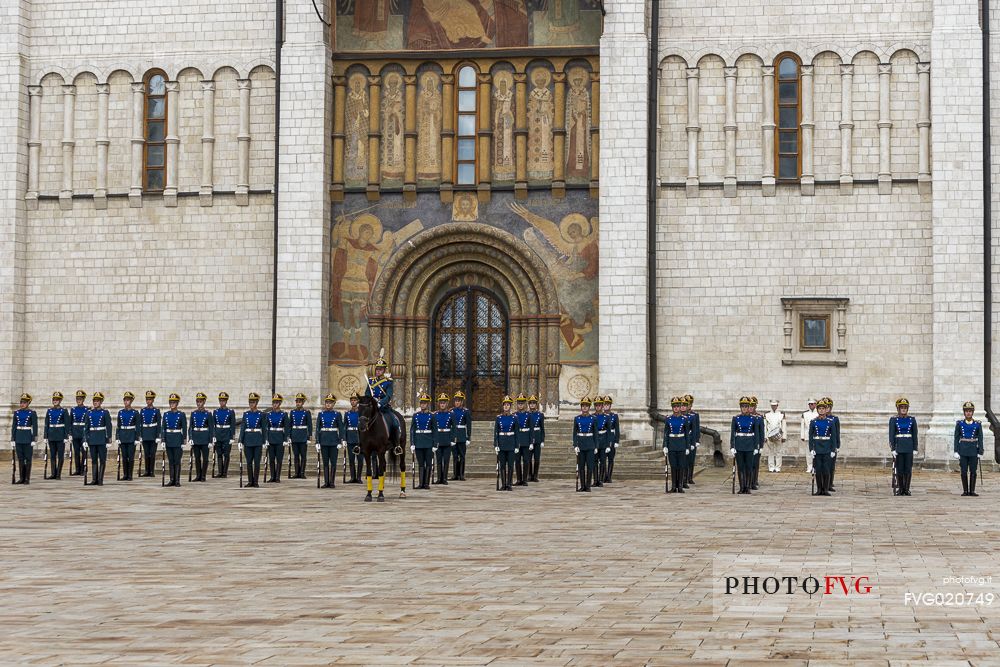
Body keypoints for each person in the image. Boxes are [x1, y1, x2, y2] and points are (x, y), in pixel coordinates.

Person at [365, 355, 401, 448]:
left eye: (380, 369)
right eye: (377, 369)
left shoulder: (388, 382)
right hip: (372, 407)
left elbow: (388, 396)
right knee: (361, 421)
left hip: (383, 408)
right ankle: (360, 444)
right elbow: (367, 394)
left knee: (394, 422)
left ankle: (396, 445)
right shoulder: (370, 381)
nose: (378, 371)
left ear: (384, 370)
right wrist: (372, 401)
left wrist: (380, 403)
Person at [730, 396, 761, 494]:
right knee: (741, 467)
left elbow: (756, 434)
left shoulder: (753, 419)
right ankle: (741, 486)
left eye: (746, 406)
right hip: (739, 444)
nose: (744, 408)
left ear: (749, 407)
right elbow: (733, 433)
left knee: (748, 466)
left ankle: (747, 487)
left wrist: (757, 447)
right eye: (742, 406)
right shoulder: (736, 418)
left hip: (749, 445)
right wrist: (732, 446)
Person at [954, 401, 984, 497]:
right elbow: (956, 438)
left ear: (972, 412)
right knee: (963, 471)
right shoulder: (960, 424)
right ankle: (965, 491)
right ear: (964, 412)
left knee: (973, 471)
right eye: (966, 411)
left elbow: (980, 438)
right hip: (963, 450)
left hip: (973, 450)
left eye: (970, 411)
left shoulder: (977, 424)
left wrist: (980, 450)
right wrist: (956, 451)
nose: (968, 413)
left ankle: (972, 491)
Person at [889, 397, 917, 496]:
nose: (904, 409)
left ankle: (907, 489)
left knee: (908, 468)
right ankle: (900, 489)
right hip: (899, 446)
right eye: (902, 407)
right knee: (900, 468)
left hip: (909, 446)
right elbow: (891, 435)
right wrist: (893, 448)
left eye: (905, 407)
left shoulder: (912, 419)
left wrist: (915, 448)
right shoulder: (893, 420)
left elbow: (915, 434)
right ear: (898, 408)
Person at [809, 398, 836, 496]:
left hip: (827, 448)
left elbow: (833, 437)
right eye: (819, 408)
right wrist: (811, 449)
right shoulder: (813, 422)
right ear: (817, 410)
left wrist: (833, 449)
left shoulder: (830, 422)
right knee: (818, 469)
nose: (821, 410)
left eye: (823, 408)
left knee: (826, 469)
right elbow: (811, 437)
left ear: (826, 410)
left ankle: (825, 489)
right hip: (817, 448)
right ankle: (819, 489)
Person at [84, 392, 112, 485]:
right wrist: (85, 439)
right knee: (94, 459)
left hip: (101, 438)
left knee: (102, 459)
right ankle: (94, 479)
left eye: (97, 401)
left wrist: (109, 439)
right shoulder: (89, 413)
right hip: (92, 438)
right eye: (94, 401)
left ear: (101, 402)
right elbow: (86, 427)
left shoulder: (105, 412)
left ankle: (100, 479)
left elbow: (109, 426)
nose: (95, 402)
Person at [316, 393, 343, 488]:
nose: (328, 404)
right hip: (324, 440)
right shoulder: (321, 414)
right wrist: (317, 442)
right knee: (325, 462)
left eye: (330, 403)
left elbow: (341, 428)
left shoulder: (337, 414)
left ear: (334, 404)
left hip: (333, 440)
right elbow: (317, 429)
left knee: (333, 462)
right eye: (327, 402)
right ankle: (326, 481)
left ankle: (332, 482)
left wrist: (340, 441)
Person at [238, 393, 265, 487]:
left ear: (257, 402)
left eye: (253, 402)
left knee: (257, 462)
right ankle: (250, 481)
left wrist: (265, 441)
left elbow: (264, 429)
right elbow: (242, 428)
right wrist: (240, 441)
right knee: (249, 462)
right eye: (250, 402)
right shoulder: (246, 414)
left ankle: (256, 481)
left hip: (257, 439)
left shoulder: (261, 414)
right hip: (248, 439)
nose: (251, 404)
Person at [663, 396, 689, 493]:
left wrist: (687, 447)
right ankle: (674, 486)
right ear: (672, 408)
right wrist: (665, 445)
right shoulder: (668, 419)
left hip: (681, 444)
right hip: (672, 444)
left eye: (678, 406)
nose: (676, 408)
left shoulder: (684, 419)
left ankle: (680, 486)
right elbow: (666, 433)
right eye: (674, 406)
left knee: (681, 466)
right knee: (673, 466)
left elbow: (686, 434)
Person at [160, 393, 187, 487]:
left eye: (174, 402)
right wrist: (163, 440)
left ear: (177, 403)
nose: (172, 404)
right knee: (171, 460)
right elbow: (163, 428)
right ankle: (171, 479)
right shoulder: (166, 414)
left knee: (177, 460)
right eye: (170, 402)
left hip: (177, 439)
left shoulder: (181, 414)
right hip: (169, 439)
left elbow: (184, 427)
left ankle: (177, 480)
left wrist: (184, 440)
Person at [10, 393, 37, 485]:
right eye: (21, 402)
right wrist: (12, 439)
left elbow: (35, 427)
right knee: (20, 458)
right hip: (18, 437)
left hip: (27, 437)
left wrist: (34, 439)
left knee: (28, 458)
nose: (22, 404)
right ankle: (21, 478)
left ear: (28, 403)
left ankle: (27, 478)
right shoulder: (16, 413)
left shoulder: (32, 413)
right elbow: (14, 426)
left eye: (24, 402)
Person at [188, 392, 215, 482]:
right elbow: (190, 427)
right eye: (197, 402)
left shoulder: (208, 414)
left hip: (204, 438)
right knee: (197, 458)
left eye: (200, 402)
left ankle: (203, 475)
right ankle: (198, 475)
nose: (199, 403)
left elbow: (211, 428)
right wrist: (190, 438)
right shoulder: (193, 413)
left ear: (204, 402)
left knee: (205, 458)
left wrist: (211, 440)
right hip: (196, 437)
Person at [572, 397, 597, 492]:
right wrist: (575, 445)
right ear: (581, 407)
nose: (585, 408)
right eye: (583, 406)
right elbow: (575, 433)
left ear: (589, 407)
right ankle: (582, 486)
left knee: (590, 466)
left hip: (590, 443)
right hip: (581, 444)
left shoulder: (593, 419)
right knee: (581, 466)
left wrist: (596, 446)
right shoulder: (577, 418)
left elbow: (595, 433)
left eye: (586, 406)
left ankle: (588, 485)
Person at [410, 393, 434, 490]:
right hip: (419, 442)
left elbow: (435, 431)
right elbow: (412, 430)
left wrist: (435, 444)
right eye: (422, 403)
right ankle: (420, 483)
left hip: (428, 442)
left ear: (428, 404)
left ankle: (426, 483)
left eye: (425, 403)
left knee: (428, 463)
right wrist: (412, 443)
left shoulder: (432, 416)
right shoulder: (415, 416)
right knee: (420, 463)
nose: (423, 405)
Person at [44, 391, 70, 479]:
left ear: (60, 400)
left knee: (60, 455)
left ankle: (58, 474)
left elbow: (67, 424)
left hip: (60, 435)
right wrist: (45, 436)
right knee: (52, 455)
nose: (55, 401)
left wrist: (66, 436)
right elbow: (46, 424)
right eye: (54, 399)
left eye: (57, 400)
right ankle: (53, 473)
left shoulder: (64, 411)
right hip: (51, 434)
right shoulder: (49, 410)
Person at [264, 394, 289, 483]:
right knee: (271, 459)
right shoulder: (268, 414)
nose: (275, 404)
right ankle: (272, 476)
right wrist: (266, 439)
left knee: (279, 459)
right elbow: (266, 427)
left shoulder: (284, 414)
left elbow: (286, 427)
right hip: (271, 437)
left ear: (280, 403)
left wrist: (286, 439)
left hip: (279, 438)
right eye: (274, 402)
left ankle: (277, 476)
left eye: (277, 403)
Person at [495, 396, 517, 491]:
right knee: (502, 465)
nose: (506, 406)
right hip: (502, 443)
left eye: (508, 405)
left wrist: (517, 445)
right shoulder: (498, 418)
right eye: (505, 405)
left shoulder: (514, 418)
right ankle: (503, 484)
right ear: (503, 406)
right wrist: (496, 444)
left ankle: (509, 484)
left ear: (510, 406)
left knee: (511, 465)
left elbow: (517, 433)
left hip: (511, 443)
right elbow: (496, 432)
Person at [116, 391, 140, 480]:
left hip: (131, 436)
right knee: (124, 457)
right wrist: (117, 437)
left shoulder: (135, 413)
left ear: (131, 401)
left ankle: (130, 475)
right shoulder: (120, 412)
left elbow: (138, 426)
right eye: (125, 400)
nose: (126, 402)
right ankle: (125, 474)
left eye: (128, 400)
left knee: (131, 457)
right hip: (122, 436)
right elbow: (118, 426)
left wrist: (137, 438)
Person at [433, 393, 455, 484]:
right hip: (438, 438)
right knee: (438, 460)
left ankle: (444, 478)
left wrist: (453, 439)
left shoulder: (451, 414)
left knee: (446, 460)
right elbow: (433, 428)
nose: (442, 404)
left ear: (447, 404)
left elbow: (454, 427)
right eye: (441, 403)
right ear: (439, 404)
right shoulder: (435, 414)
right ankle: (439, 478)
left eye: (444, 403)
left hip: (447, 438)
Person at [289, 393, 313, 479]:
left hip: (303, 435)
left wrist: (309, 435)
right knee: (296, 455)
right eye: (297, 401)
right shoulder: (292, 412)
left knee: (303, 455)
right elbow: (290, 424)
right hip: (294, 435)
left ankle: (302, 472)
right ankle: (296, 472)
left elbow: (309, 424)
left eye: (300, 401)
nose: (298, 403)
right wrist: (289, 436)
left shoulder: (306, 412)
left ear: (303, 403)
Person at [139, 390, 162, 478]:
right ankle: (146, 471)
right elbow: (140, 424)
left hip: (153, 434)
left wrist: (158, 436)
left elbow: (159, 424)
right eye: (147, 399)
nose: (148, 401)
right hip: (145, 434)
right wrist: (140, 435)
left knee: (152, 453)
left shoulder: (156, 411)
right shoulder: (143, 410)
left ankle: (151, 471)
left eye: (150, 399)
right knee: (146, 453)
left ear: (153, 400)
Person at [213, 392, 235, 477]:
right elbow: (213, 425)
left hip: (226, 434)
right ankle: (220, 472)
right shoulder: (215, 411)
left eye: (223, 401)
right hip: (218, 433)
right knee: (219, 453)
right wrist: (213, 436)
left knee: (226, 454)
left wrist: (232, 436)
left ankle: (224, 472)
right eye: (221, 400)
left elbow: (232, 425)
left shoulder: (230, 412)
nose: (222, 402)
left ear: (226, 401)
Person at [451, 391, 471, 481]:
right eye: (456, 401)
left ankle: (461, 474)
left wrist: (468, 437)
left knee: (462, 455)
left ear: (462, 402)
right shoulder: (451, 411)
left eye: (459, 401)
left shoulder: (465, 411)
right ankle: (455, 474)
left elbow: (469, 425)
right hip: (454, 435)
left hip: (462, 435)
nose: (457, 402)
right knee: (455, 455)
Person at [514, 393, 533, 486]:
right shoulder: (514, 415)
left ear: (525, 404)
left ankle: (524, 479)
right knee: (517, 461)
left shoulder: (528, 415)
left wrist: (531, 442)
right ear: (517, 404)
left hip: (525, 439)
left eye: (522, 403)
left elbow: (531, 429)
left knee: (526, 460)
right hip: (517, 440)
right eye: (519, 403)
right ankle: (518, 479)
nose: (520, 405)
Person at [764, 399, 787, 473]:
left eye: (775, 405)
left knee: (778, 452)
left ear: (777, 406)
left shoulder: (781, 414)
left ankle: (778, 467)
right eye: (772, 406)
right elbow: (765, 426)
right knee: (770, 452)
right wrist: (765, 436)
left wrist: (784, 436)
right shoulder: (767, 415)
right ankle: (771, 467)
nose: (774, 407)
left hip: (779, 436)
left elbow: (784, 426)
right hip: (769, 436)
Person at [69, 390, 89, 476]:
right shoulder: (73, 409)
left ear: (83, 399)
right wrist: (70, 433)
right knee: (76, 452)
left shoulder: (87, 410)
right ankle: (77, 469)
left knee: (84, 452)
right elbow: (70, 422)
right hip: (75, 432)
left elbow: (88, 423)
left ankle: (83, 469)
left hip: (83, 432)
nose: (78, 400)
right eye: (77, 398)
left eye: (80, 398)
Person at [345, 392, 362, 483]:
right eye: (352, 400)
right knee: (351, 459)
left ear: (358, 401)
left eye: (355, 400)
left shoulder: (361, 413)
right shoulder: (347, 413)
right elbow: (345, 426)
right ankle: (352, 477)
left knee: (360, 459)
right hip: (350, 437)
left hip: (359, 438)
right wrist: (344, 438)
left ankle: (358, 477)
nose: (353, 402)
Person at [528, 394, 546, 482]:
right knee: (528, 458)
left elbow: (542, 428)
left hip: (537, 437)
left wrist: (542, 440)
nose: (532, 405)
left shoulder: (540, 415)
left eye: (534, 403)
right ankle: (529, 475)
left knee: (537, 458)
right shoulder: (527, 414)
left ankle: (535, 475)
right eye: (530, 403)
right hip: (529, 438)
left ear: (536, 404)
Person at [682, 394, 698, 486]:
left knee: (691, 460)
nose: (687, 406)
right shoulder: (682, 417)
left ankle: (689, 477)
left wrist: (696, 440)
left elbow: (696, 429)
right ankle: (684, 478)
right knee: (684, 460)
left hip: (691, 439)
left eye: (688, 404)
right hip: (683, 440)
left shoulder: (694, 415)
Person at [593, 396, 609, 488]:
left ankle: (601, 479)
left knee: (603, 461)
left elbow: (609, 432)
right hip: (595, 441)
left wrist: (608, 444)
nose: (598, 407)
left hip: (603, 440)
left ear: (602, 406)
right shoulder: (592, 417)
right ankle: (595, 480)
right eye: (596, 405)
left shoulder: (606, 417)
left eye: (599, 405)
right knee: (594, 461)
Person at [799, 399, 818, 474]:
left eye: (812, 404)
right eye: (810, 404)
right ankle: (809, 466)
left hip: (816, 435)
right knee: (808, 452)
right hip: (807, 434)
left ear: (815, 404)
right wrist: (802, 435)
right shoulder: (805, 414)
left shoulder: (818, 413)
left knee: (816, 451)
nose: (811, 405)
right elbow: (802, 425)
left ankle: (815, 467)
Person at [749, 396, 762, 489]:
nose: (750, 408)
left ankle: (754, 480)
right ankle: (748, 480)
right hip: (747, 444)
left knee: (755, 464)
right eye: (749, 406)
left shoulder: (759, 417)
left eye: (752, 406)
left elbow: (761, 433)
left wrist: (760, 446)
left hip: (755, 444)